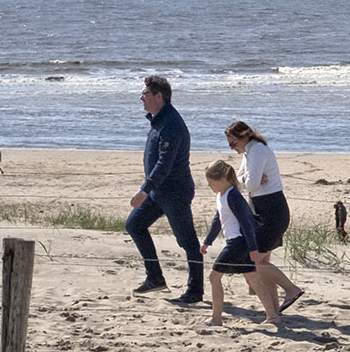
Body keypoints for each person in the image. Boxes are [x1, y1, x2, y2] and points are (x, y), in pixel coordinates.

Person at [123, 76, 205, 303]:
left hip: (175, 192)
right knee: (134, 225)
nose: (141, 98)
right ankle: (155, 278)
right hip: (158, 192)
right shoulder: (158, 120)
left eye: (145, 94)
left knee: (188, 242)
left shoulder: (171, 124)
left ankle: (195, 291)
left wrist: (143, 189)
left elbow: (164, 164)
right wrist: (149, 190)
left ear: (159, 97)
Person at [225, 121, 305, 313]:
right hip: (261, 209)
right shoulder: (249, 152)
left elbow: (250, 184)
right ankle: (274, 311)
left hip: (272, 211)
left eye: (233, 143)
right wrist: (245, 179)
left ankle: (291, 289)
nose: (233, 148)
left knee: (253, 262)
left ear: (244, 137)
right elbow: (240, 178)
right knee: (263, 264)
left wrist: (244, 180)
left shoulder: (258, 151)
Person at [198, 161, 280, 327]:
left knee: (214, 277)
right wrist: (207, 242)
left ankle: (216, 318)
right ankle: (272, 316)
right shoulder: (221, 195)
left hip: (238, 243)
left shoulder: (233, 195)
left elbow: (247, 223)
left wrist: (253, 249)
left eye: (211, 182)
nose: (209, 185)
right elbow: (218, 219)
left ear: (222, 179)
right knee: (254, 279)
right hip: (237, 243)